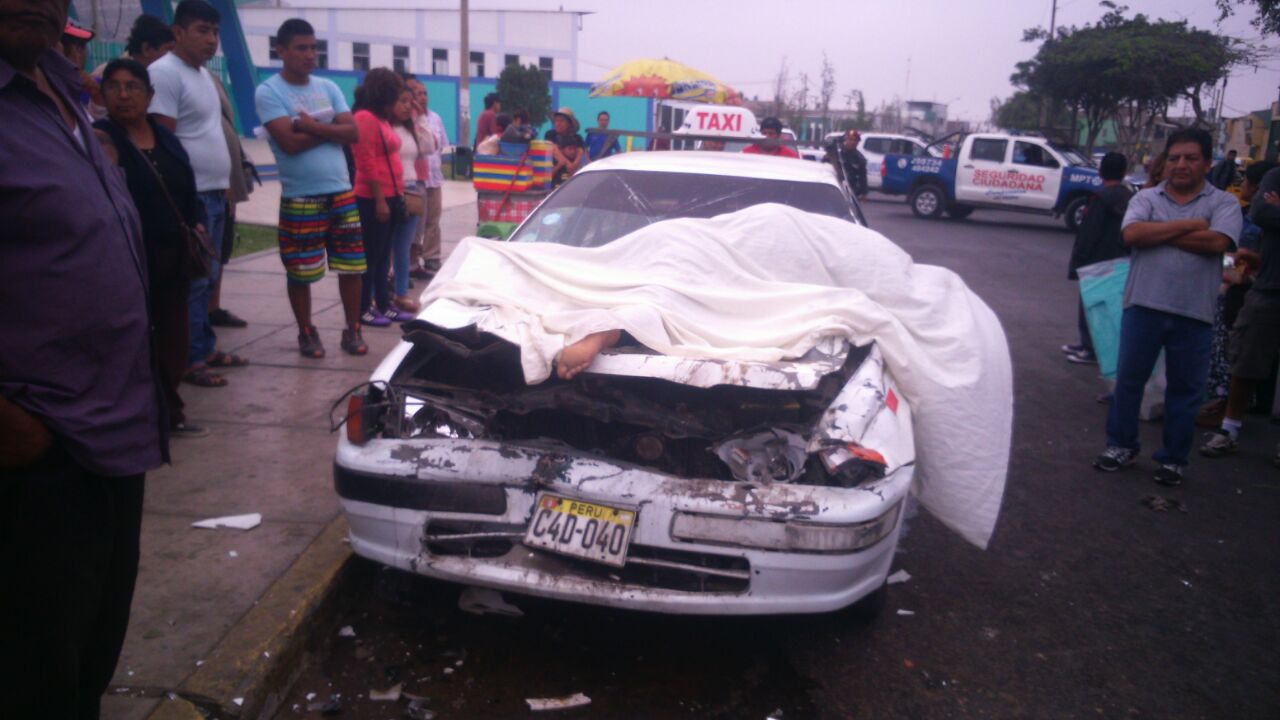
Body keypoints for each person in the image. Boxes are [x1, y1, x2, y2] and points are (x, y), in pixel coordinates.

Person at [1, 0, 166, 713]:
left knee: (86, 654)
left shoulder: (64, 94)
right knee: (31, 671)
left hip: (112, 434)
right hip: (34, 444)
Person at [1093, 128, 1241, 486]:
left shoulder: (1224, 203)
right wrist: (1191, 225)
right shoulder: (1146, 197)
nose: (1181, 165)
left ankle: (1173, 459)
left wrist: (1159, 231)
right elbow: (1132, 236)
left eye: (1191, 158)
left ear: (1207, 163)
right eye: (1174, 158)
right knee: (1129, 382)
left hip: (1195, 314)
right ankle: (1121, 446)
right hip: (1143, 306)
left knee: (1185, 391)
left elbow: (1219, 242)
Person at [94, 58, 209, 438]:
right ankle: (134, 417)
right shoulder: (101, 139)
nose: (123, 95)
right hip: (126, 263)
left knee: (173, 342)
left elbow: (186, 186)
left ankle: (168, 410)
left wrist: (195, 222)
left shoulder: (165, 137)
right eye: (113, 87)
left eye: (133, 87)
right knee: (130, 343)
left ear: (149, 96)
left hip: (172, 261)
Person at [149, 0, 248, 387]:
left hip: (215, 194)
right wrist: (186, 199)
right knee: (193, 281)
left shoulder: (203, 76)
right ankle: (188, 360)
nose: (211, 40)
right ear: (177, 32)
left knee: (207, 280)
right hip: (190, 199)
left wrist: (224, 185)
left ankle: (205, 348)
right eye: (202, 31)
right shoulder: (164, 74)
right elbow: (163, 140)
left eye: (215, 32)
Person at [255, 18, 367, 357]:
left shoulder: (328, 87)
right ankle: (306, 331)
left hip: (341, 192)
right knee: (300, 270)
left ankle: (353, 329)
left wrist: (308, 125)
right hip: (300, 196)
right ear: (282, 50)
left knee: (352, 266)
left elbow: (353, 133)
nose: (309, 55)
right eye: (301, 48)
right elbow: (288, 142)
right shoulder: (269, 91)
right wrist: (328, 124)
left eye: (313, 47)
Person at [1199, 164, 1280, 459]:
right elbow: (1262, 212)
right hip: (1267, 288)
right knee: (1243, 361)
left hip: (1250, 282)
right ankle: (1229, 430)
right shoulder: (1275, 176)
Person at [352, 68, 409, 326]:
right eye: (395, 95)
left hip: (391, 195)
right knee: (371, 257)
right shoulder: (364, 118)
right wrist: (379, 199)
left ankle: (384, 305)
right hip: (373, 198)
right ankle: (363, 307)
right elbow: (365, 162)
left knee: (384, 255)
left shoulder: (383, 119)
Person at [1064, 152, 1133, 365]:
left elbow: (1088, 234)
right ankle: (1090, 344)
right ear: (1123, 173)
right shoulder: (1129, 197)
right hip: (1119, 259)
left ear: (1101, 171)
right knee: (1106, 306)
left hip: (1095, 260)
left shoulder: (1100, 199)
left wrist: (1079, 260)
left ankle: (1090, 348)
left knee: (1090, 304)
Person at [405, 75, 447, 279]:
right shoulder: (407, 117)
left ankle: (431, 257)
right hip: (415, 179)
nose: (422, 97)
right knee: (414, 225)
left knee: (432, 221)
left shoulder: (435, 118)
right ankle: (411, 261)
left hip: (433, 178)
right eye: (418, 94)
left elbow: (438, 146)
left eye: (425, 93)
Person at [391, 83, 426, 315]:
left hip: (412, 190)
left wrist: (419, 118)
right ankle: (380, 295)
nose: (406, 106)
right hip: (392, 190)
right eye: (401, 101)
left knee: (404, 247)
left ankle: (401, 293)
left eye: (408, 101)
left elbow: (429, 147)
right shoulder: (384, 127)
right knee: (384, 248)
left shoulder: (410, 127)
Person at [545, 106, 584, 186]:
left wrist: (574, 165)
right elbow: (553, 148)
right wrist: (567, 164)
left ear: (569, 123)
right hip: (554, 178)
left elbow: (580, 152)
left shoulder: (577, 138)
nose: (558, 124)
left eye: (562, 121)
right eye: (556, 121)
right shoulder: (551, 135)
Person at [828, 128, 868, 200]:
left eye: (855, 140)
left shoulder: (859, 158)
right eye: (850, 139)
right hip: (833, 187)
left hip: (850, 190)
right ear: (845, 140)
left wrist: (864, 193)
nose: (852, 142)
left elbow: (863, 177)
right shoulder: (836, 153)